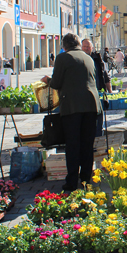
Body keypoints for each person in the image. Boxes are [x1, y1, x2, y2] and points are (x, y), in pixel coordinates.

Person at [42, 33, 100, 193]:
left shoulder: (63, 58)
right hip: (91, 104)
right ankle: (86, 178)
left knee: (73, 144)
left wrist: (47, 80)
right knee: (87, 144)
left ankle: (72, 181)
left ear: (64, 46)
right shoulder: (88, 57)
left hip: (73, 106)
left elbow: (56, 82)